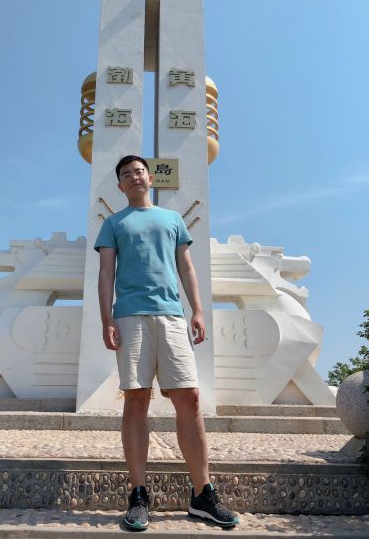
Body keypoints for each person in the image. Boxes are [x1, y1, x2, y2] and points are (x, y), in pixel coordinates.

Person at [95, 155, 239, 531]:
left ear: (150, 178)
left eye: (139, 171)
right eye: (126, 174)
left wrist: (198, 310)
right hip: (130, 317)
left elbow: (186, 267)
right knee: (136, 399)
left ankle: (202, 494)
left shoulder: (173, 219)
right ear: (120, 185)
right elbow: (106, 273)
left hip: (172, 317)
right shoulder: (113, 223)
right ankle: (138, 494)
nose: (134, 176)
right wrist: (106, 319)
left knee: (189, 398)